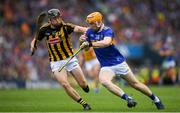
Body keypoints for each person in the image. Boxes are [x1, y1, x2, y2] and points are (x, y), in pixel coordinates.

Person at [80, 12, 164, 109]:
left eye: (92, 23)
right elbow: (86, 49)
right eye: (89, 23)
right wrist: (83, 42)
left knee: (135, 84)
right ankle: (128, 98)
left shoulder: (108, 31)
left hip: (118, 63)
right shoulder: (89, 32)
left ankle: (155, 99)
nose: (90, 25)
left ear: (98, 22)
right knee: (104, 81)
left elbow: (106, 43)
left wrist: (90, 44)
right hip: (106, 66)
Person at [30, 9, 91, 110]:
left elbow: (81, 29)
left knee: (83, 84)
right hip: (56, 62)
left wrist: (92, 31)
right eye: (55, 18)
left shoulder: (66, 27)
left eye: (59, 17)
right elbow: (35, 40)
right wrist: (32, 45)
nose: (58, 20)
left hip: (70, 58)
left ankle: (84, 87)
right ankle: (84, 104)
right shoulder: (44, 30)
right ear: (50, 20)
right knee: (65, 84)